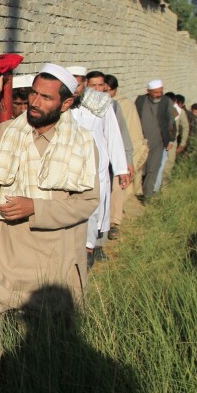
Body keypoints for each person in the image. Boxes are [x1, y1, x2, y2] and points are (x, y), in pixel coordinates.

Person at [0, 64, 100, 382]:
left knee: (45, 361)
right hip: (1, 260)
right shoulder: (11, 132)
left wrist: (36, 208)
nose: (34, 102)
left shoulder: (82, 144)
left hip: (50, 268)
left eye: (45, 97)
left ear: (66, 103)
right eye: (33, 93)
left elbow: (86, 203)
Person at [66, 67, 128, 265]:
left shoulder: (102, 103)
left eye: (79, 83)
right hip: (69, 169)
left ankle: (89, 251)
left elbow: (113, 136)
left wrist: (121, 169)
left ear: (84, 83)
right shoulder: (61, 103)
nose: (76, 88)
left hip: (97, 169)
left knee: (93, 210)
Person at [85, 71, 133, 242]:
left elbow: (118, 136)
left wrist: (125, 164)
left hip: (105, 164)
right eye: (93, 86)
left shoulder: (110, 105)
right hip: (83, 167)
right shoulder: (76, 106)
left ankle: (98, 244)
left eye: (101, 85)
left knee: (104, 203)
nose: (98, 89)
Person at [106, 74, 147, 235]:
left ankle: (114, 222)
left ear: (114, 90)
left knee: (117, 188)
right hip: (101, 154)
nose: (102, 91)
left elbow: (128, 132)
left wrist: (128, 157)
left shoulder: (123, 105)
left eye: (107, 89)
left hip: (119, 152)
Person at [135, 79, 176, 200]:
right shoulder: (141, 100)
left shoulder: (166, 101)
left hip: (159, 140)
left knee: (153, 167)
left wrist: (170, 139)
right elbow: (136, 117)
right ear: (148, 91)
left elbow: (171, 121)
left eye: (160, 92)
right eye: (156, 92)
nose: (159, 94)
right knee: (141, 166)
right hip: (142, 140)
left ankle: (147, 194)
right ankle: (138, 190)